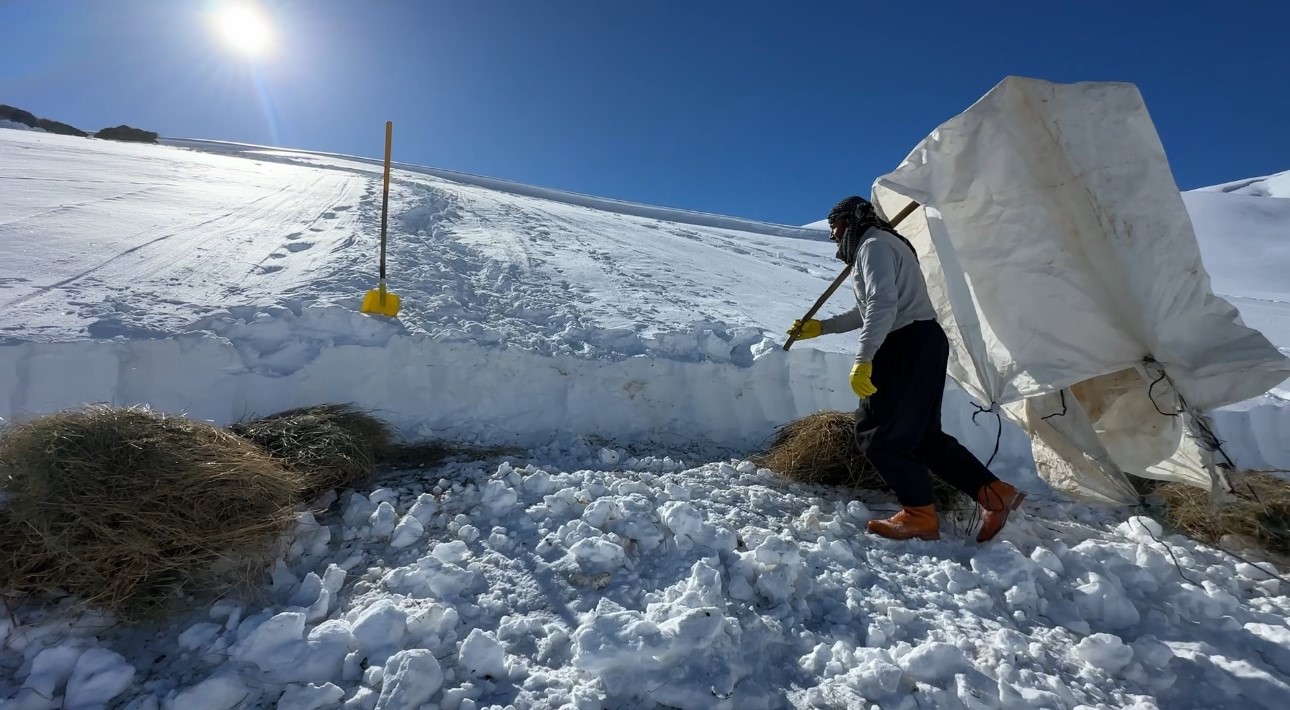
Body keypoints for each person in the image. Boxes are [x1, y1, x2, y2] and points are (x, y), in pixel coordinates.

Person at [789, 195, 1023, 542]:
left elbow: (882, 305)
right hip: (923, 340)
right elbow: (868, 310)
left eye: (835, 225)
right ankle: (994, 494)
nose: (832, 235)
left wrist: (863, 359)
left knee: (876, 431)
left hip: (904, 343)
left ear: (853, 219)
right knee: (923, 436)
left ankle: (919, 515)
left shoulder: (873, 246)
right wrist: (822, 328)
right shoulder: (883, 245)